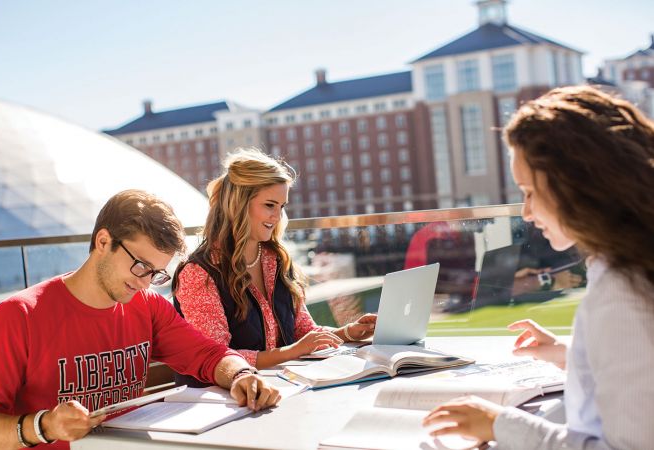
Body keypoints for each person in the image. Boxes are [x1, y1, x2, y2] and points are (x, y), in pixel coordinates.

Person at [0, 190, 280, 450]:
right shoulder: (20, 315)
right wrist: (45, 426)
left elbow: (209, 355)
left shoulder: (148, 305)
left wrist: (241, 375)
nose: (143, 282)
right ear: (102, 242)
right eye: (140, 266)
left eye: (155, 273)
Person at [423, 86, 654, 448]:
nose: (526, 213)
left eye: (529, 191)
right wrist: (573, 354)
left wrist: (501, 424)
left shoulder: (622, 295)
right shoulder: (628, 268)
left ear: (576, 186)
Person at [173, 148, 376, 371]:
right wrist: (292, 352)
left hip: (283, 386)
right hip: (230, 398)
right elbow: (217, 357)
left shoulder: (275, 260)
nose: (277, 216)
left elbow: (303, 330)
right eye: (269, 205)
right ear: (238, 204)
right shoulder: (198, 273)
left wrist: (347, 332)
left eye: (281, 207)